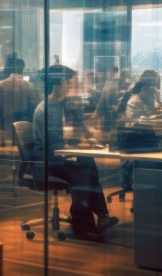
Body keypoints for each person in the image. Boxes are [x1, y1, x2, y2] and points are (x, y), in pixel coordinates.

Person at [32, 65, 118, 240]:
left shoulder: (67, 104)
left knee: (87, 162)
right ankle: (84, 225)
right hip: (48, 160)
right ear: (59, 84)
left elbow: (82, 131)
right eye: (68, 82)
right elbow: (55, 144)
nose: (71, 86)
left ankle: (100, 216)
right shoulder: (45, 110)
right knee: (82, 171)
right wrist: (79, 144)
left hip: (64, 156)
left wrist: (91, 137)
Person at [0, 57, 36, 145]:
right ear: (22, 69)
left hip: (5, 125)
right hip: (24, 124)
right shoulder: (28, 86)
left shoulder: (1, 85)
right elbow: (32, 107)